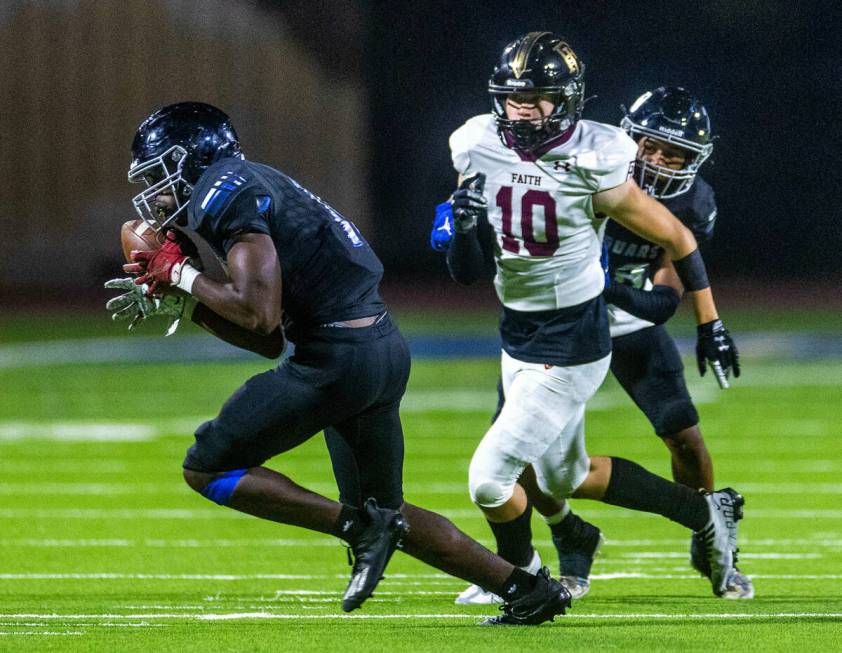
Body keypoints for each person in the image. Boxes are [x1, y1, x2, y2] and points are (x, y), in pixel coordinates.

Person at [104, 101, 572, 625]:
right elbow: (267, 338)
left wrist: (183, 275)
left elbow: (258, 317)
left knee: (206, 466)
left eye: (161, 172)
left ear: (192, 157)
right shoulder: (244, 183)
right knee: (387, 511)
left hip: (337, 359)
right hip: (377, 348)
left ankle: (358, 528)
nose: (157, 192)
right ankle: (527, 588)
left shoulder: (224, 186)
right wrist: (186, 298)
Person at [438, 32, 752, 604]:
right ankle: (697, 514)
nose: (525, 109)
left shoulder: (599, 158)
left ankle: (522, 579)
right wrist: (461, 229)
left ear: (570, 99)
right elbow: (466, 270)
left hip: (582, 332)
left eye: (539, 97)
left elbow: (670, 268)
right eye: (515, 97)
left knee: (491, 475)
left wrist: (710, 322)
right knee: (562, 476)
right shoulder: (478, 142)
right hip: (521, 329)